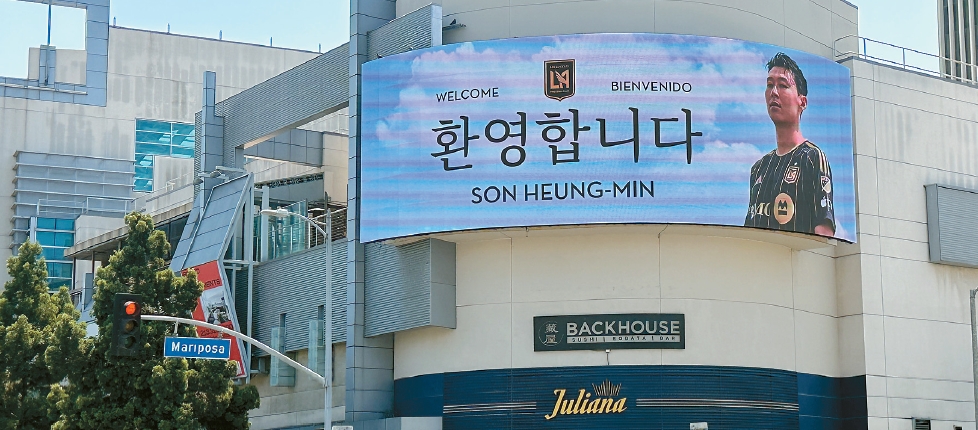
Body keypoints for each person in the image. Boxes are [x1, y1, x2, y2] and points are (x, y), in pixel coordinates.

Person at [745, 52, 835, 237]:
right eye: (770, 85)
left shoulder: (812, 157)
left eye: (783, 85)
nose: (774, 92)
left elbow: (824, 232)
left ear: (802, 101)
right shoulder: (758, 168)